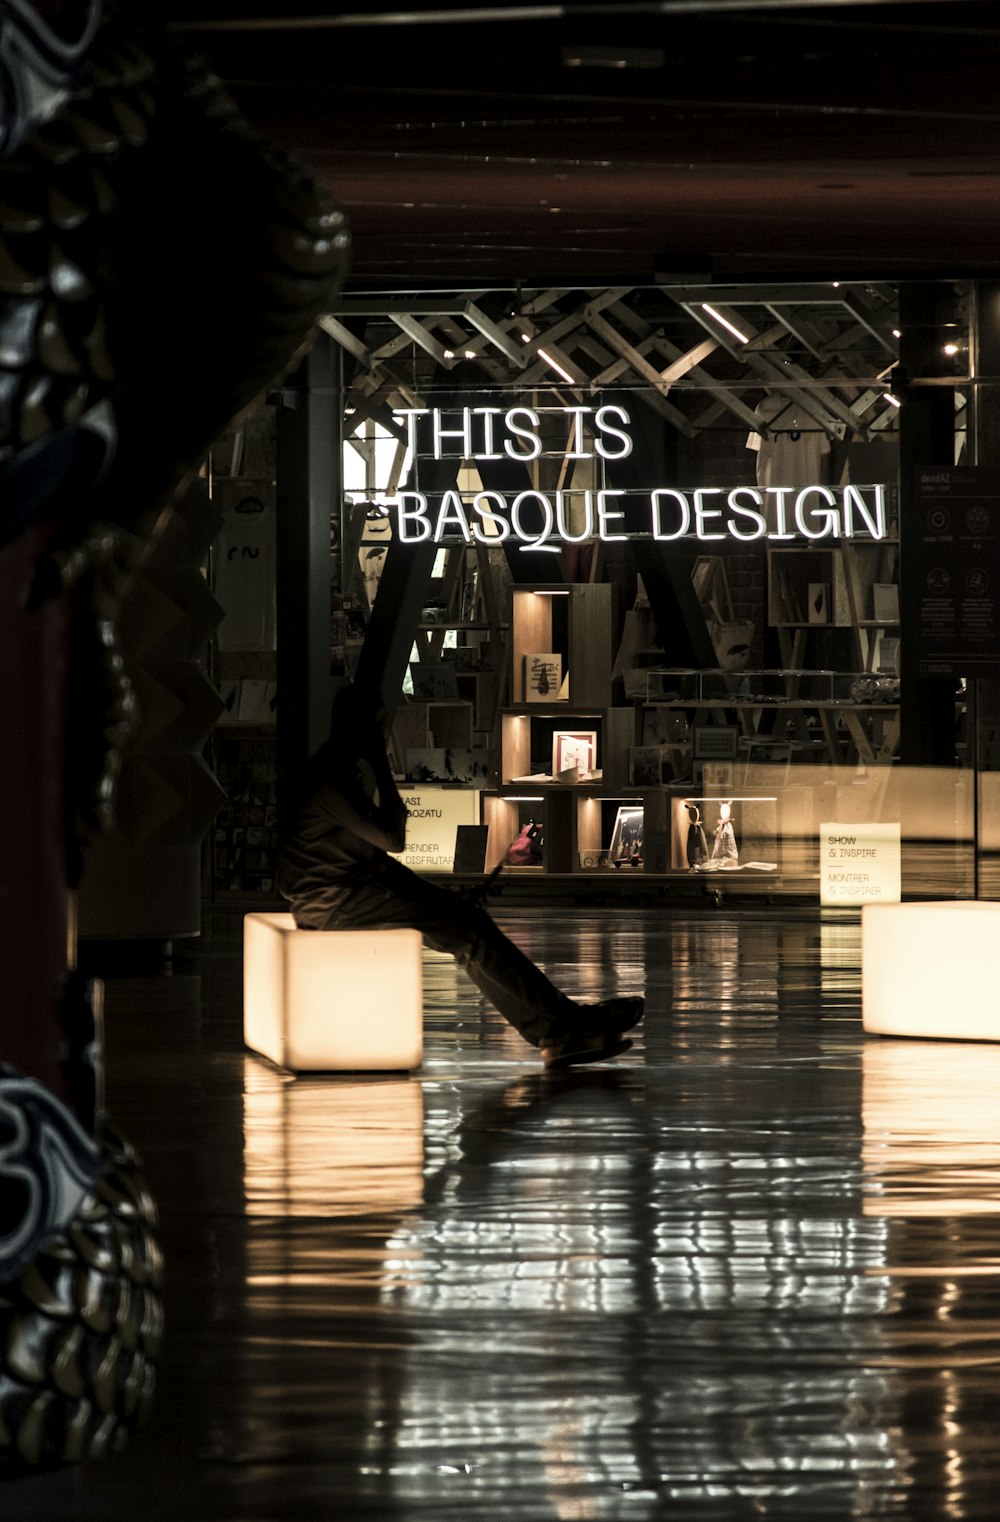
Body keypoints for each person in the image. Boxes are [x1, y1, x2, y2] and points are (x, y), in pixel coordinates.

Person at [278, 685, 644, 1068]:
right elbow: (393, 840)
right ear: (360, 727)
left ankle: (558, 1030)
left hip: (347, 895)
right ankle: (565, 1026)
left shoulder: (335, 772)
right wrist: (382, 766)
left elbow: (378, 863)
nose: (384, 733)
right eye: (379, 724)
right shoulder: (331, 780)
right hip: (335, 905)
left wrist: (445, 897)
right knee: (468, 932)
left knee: (468, 926)